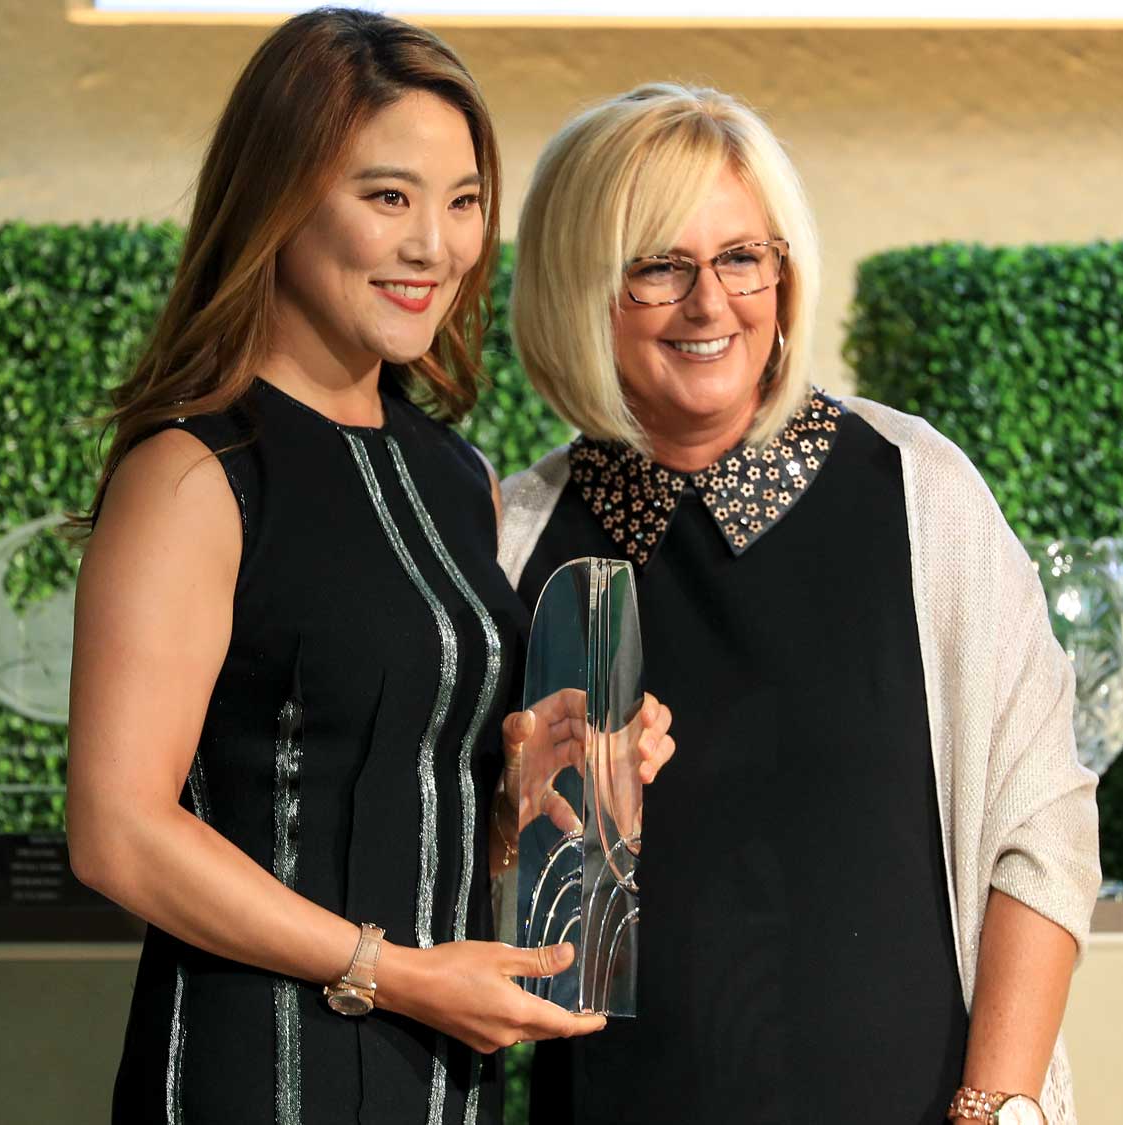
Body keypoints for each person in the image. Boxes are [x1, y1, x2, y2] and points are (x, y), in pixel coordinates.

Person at [64, 12, 671, 1125]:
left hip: (438, 1075)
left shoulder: (454, 474)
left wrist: (525, 795)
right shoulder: (193, 474)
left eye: (463, 201)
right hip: (256, 1075)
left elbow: (398, 798)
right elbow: (117, 831)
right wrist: (390, 973)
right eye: (386, 197)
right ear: (279, 200)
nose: (433, 246)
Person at [499, 83, 1100, 1125]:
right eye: (655, 265)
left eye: (740, 257)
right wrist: (515, 823)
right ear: (574, 287)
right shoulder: (517, 541)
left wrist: (997, 1104)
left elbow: (1040, 824)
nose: (708, 303)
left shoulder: (916, 492)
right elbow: (493, 935)